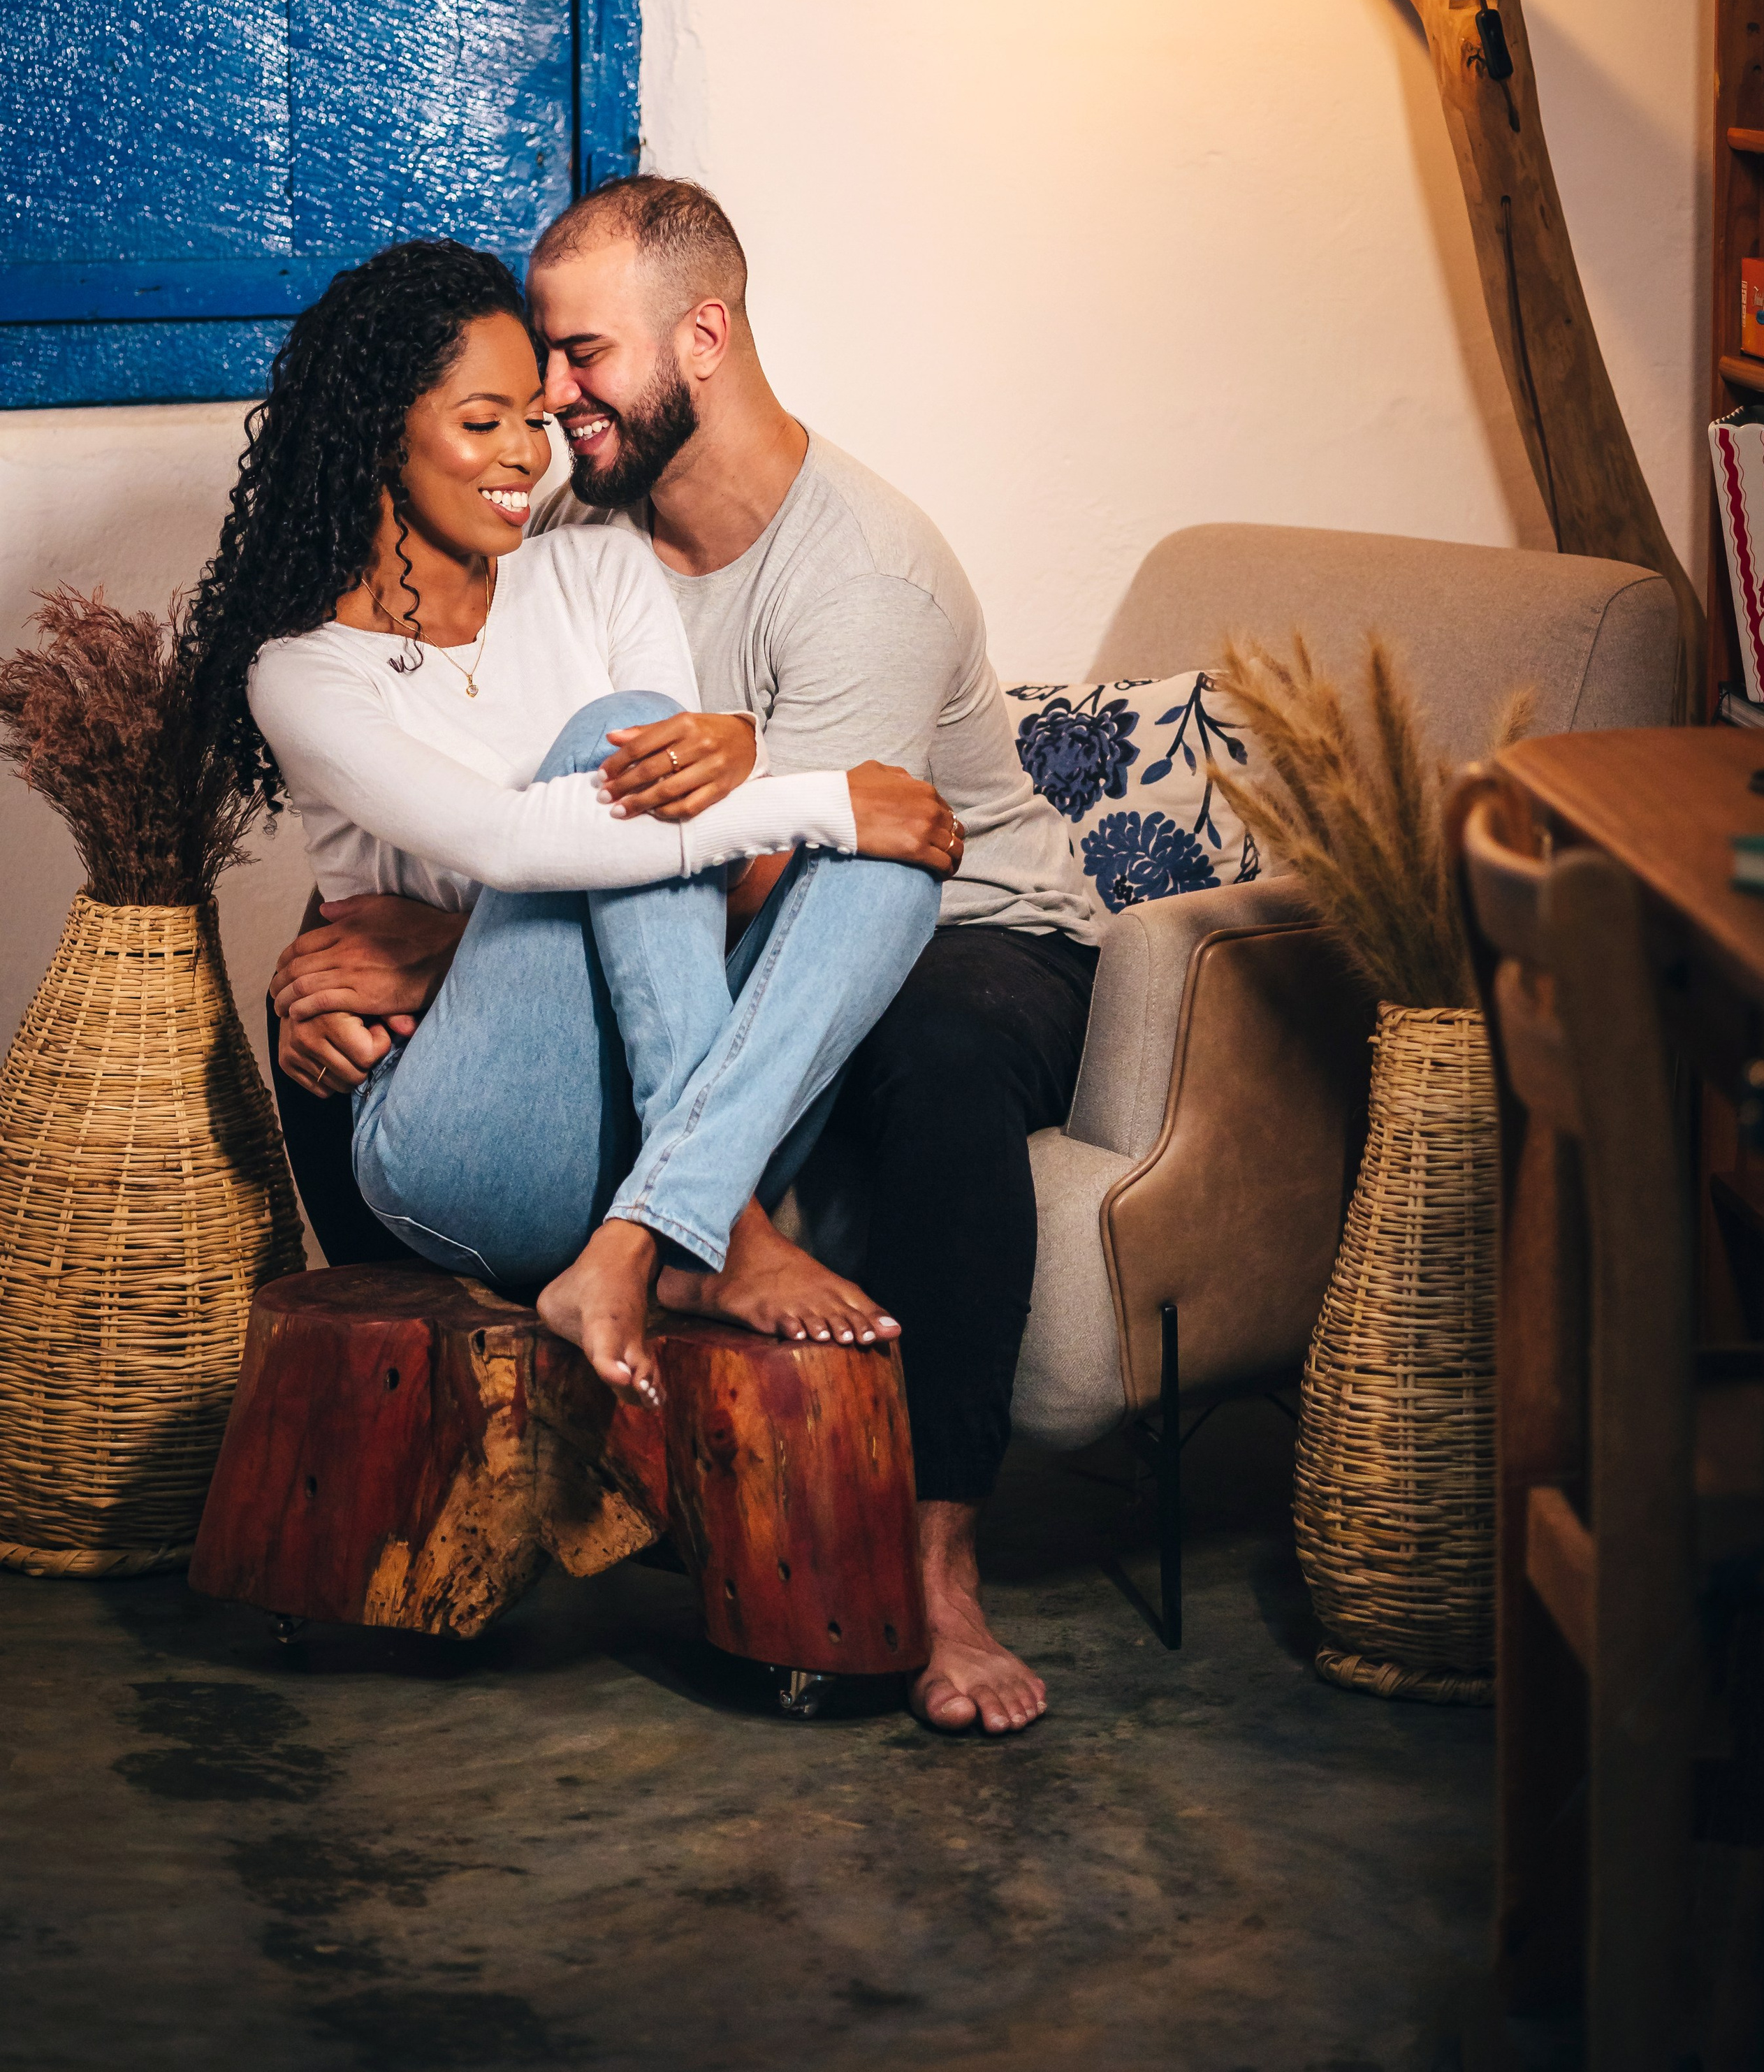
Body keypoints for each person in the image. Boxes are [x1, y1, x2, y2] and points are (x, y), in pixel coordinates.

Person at [272, 180, 1103, 1736]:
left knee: (925, 1031)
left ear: (702, 340)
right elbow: (510, 810)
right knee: (626, 782)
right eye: (525, 375)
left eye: (579, 357)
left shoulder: (861, 574)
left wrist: (447, 951)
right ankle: (694, 1235)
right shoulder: (575, 526)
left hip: (968, 922)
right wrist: (363, 954)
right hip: (702, 922)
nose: (549, 403)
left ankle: (938, 1576)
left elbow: (794, 857)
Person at [186, 239, 964, 1401]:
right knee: (634, 736)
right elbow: (517, 843)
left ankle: (652, 1236)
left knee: (889, 874)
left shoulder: (598, 569)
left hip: (658, 1128)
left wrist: (768, 777)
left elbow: (686, 855)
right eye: (484, 420)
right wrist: (823, 800)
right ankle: (724, 1230)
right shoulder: (303, 673)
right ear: (382, 434)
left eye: (533, 420)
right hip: (465, 1146)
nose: (527, 451)